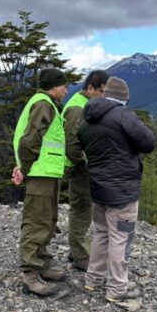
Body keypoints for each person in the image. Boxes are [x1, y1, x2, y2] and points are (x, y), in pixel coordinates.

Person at [79, 76, 155, 302]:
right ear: (125, 98)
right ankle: (117, 288)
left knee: (101, 233)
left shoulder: (86, 120)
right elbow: (148, 143)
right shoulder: (124, 116)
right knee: (121, 236)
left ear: (105, 94)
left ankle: (93, 280)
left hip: (99, 188)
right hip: (123, 190)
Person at [12, 68, 69, 296]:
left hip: (47, 172)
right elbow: (29, 140)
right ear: (54, 86)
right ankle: (29, 274)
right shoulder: (44, 104)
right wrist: (24, 168)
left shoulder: (46, 103)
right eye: (64, 86)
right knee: (37, 221)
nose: (66, 90)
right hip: (40, 172)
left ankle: (42, 263)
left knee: (47, 220)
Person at [62, 70, 109, 271]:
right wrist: (84, 166)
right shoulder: (77, 109)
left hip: (82, 166)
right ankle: (80, 255)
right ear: (90, 88)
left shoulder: (85, 105)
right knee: (81, 209)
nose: (103, 95)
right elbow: (72, 145)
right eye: (100, 91)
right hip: (79, 168)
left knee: (83, 208)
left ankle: (77, 250)